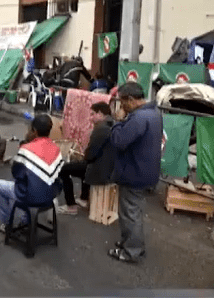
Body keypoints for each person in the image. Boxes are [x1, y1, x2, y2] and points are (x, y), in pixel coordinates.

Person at [107, 82, 163, 263]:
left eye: (122, 102)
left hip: (135, 172)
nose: (121, 106)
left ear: (131, 100)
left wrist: (117, 122)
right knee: (134, 212)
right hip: (146, 170)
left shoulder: (138, 118)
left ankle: (131, 251)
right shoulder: (154, 113)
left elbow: (118, 140)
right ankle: (132, 243)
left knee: (130, 214)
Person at [0, 114, 64, 233]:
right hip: (50, 197)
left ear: (34, 131)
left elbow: (16, 173)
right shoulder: (56, 149)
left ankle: (8, 224)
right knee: (32, 183)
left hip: (29, 196)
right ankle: (26, 220)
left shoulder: (26, 149)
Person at [57, 102, 116, 215]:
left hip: (100, 170)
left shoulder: (101, 129)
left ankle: (71, 206)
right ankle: (84, 198)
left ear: (100, 113)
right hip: (108, 167)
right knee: (81, 165)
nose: (91, 117)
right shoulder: (112, 124)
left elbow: (90, 156)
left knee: (63, 169)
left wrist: (83, 155)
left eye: (93, 114)